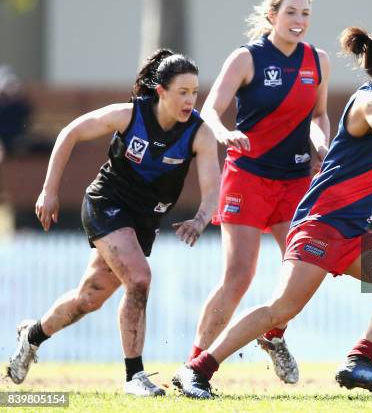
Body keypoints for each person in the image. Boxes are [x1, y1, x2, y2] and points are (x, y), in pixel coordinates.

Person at [172, 24, 372, 398]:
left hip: (351, 232)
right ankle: (196, 369)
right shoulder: (369, 102)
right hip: (322, 225)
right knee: (280, 310)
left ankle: (358, 361)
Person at [5, 49, 220, 396]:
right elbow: (70, 132)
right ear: (161, 91)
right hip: (107, 204)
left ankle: (32, 336)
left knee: (88, 298)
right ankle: (134, 377)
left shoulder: (199, 133)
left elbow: (213, 190)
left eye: (194, 92)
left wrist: (200, 218)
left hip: (143, 220)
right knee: (139, 279)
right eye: (182, 92)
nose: (190, 100)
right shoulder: (129, 114)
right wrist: (49, 190)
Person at [178, 0, 330, 386]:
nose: (298, 20)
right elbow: (209, 109)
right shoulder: (246, 58)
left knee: (303, 271)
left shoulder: (317, 61)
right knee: (238, 277)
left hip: (297, 180)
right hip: (248, 178)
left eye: (305, 13)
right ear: (272, 14)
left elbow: (318, 115)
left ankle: (274, 335)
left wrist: (321, 143)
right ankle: (193, 365)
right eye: (291, 12)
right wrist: (225, 132)